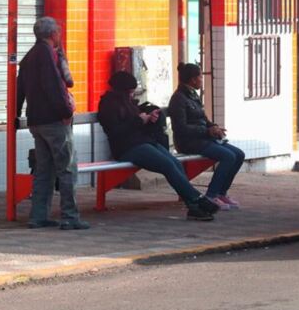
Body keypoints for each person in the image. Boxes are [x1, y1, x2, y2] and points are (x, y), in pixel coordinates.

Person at [98, 71, 221, 222]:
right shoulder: (108, 104)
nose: (132, 95)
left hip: (143, 142)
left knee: (175, 163)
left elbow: (137, 126)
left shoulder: (128, 103)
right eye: (130, 92)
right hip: (126, 148)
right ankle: (197, 200)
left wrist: (150, 120)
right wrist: (138, 121)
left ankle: (193, 205)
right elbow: (114, 131)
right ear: (122, 90)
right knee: (167, 165)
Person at [16, 17, 89, 231]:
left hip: (36, 120)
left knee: (43, 170)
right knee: (67, 168)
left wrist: (16, 113)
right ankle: (70, 216)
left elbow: (19, 87)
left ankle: (38, 215)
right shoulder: (47, 55)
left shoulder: (29, 56)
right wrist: (66, 111)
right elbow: (55, 86)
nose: (60, 34)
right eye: (58, 30)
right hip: (53, 120)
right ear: (52, 33)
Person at [168, 62, 246, 210]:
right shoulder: (178, 99)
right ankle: (212, 195)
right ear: (193, 79)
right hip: (189, 142)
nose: (201, 80)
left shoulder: (193, 95)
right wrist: (206, 131)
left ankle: (222, 193)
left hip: (203, 138)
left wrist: (213, 127)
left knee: (239, 154)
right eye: (200, 77)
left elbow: (203, 119)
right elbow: (181, 128)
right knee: (228, 156)